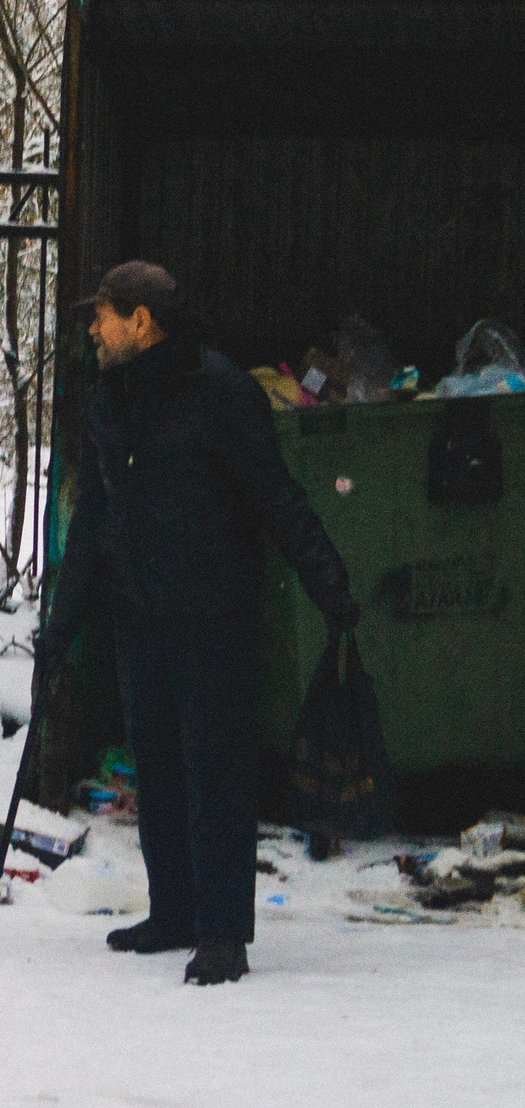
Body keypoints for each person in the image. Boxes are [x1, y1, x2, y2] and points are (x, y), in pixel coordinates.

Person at [39, 260, 358, 986]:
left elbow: (276, 496)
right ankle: (174, 911)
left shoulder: (220, 394)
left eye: (104, 315)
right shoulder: (109, 401)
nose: (92, 327)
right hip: (140, 614)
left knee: (215, 770)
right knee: (155, 762)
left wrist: (327, 579)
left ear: (142, 322)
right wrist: (63, 626)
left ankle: (221, 933)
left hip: (213, 613)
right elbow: (92, 518)